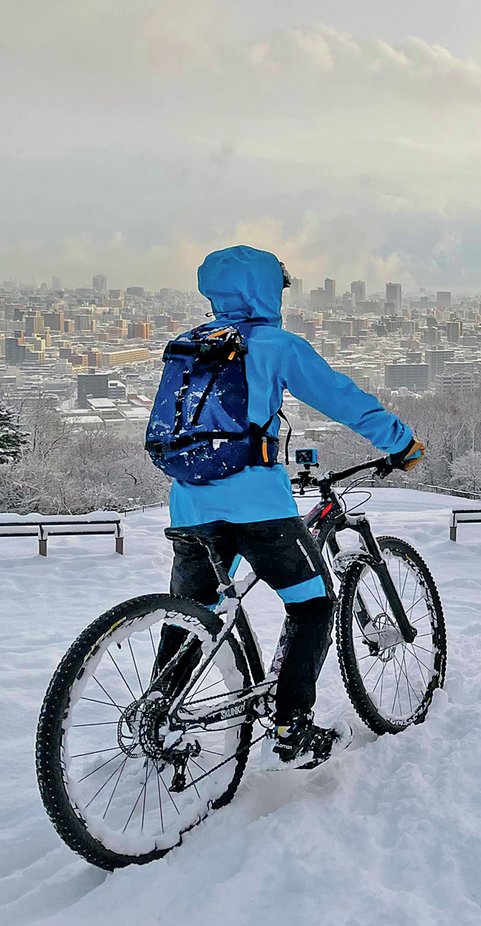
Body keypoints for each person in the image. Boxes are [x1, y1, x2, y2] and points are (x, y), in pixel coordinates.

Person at [160, 245, 424, 768]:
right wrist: (400, 442)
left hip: (189, 505)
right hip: (257, 506)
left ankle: (158, 714)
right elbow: (341, 397)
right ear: (266, 290)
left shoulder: (188, 348)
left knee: (192, 615)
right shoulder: (277, 346)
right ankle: (292, 725)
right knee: (313, 604)